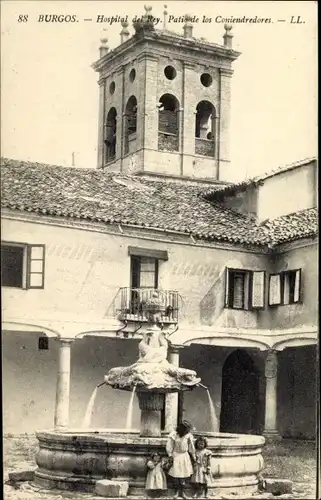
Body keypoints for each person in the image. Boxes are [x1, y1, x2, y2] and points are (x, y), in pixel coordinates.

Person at [166, 420, 196, 499]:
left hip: (184, 456)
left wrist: (194, 458)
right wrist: (170, 455)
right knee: (175, 474)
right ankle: (176, 492)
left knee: (183, 475)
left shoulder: (189, 436)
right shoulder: (174, 434)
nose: (187, 431)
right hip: (176, 455)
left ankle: (182, 492)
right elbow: (170, 446)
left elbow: (191, 448)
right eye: (186, 429)